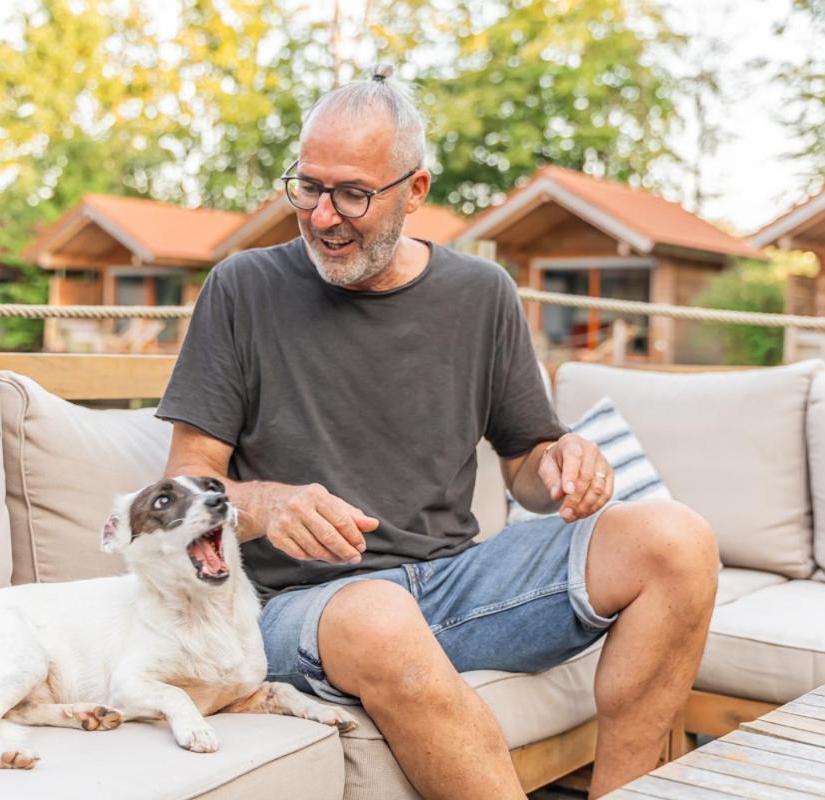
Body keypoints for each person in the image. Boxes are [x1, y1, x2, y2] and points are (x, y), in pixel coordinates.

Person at [156, 64, 719, 799]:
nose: (323, 215)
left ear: (415, 190)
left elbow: (525, 461)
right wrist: (267, 504)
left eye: (352, 193)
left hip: (451, 583)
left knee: (678, 540)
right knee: (378, 615)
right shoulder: (242, 287)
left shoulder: (481, 294)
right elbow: (180, 487)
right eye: (309, 187)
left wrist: (564, 463)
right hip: (297, 609)